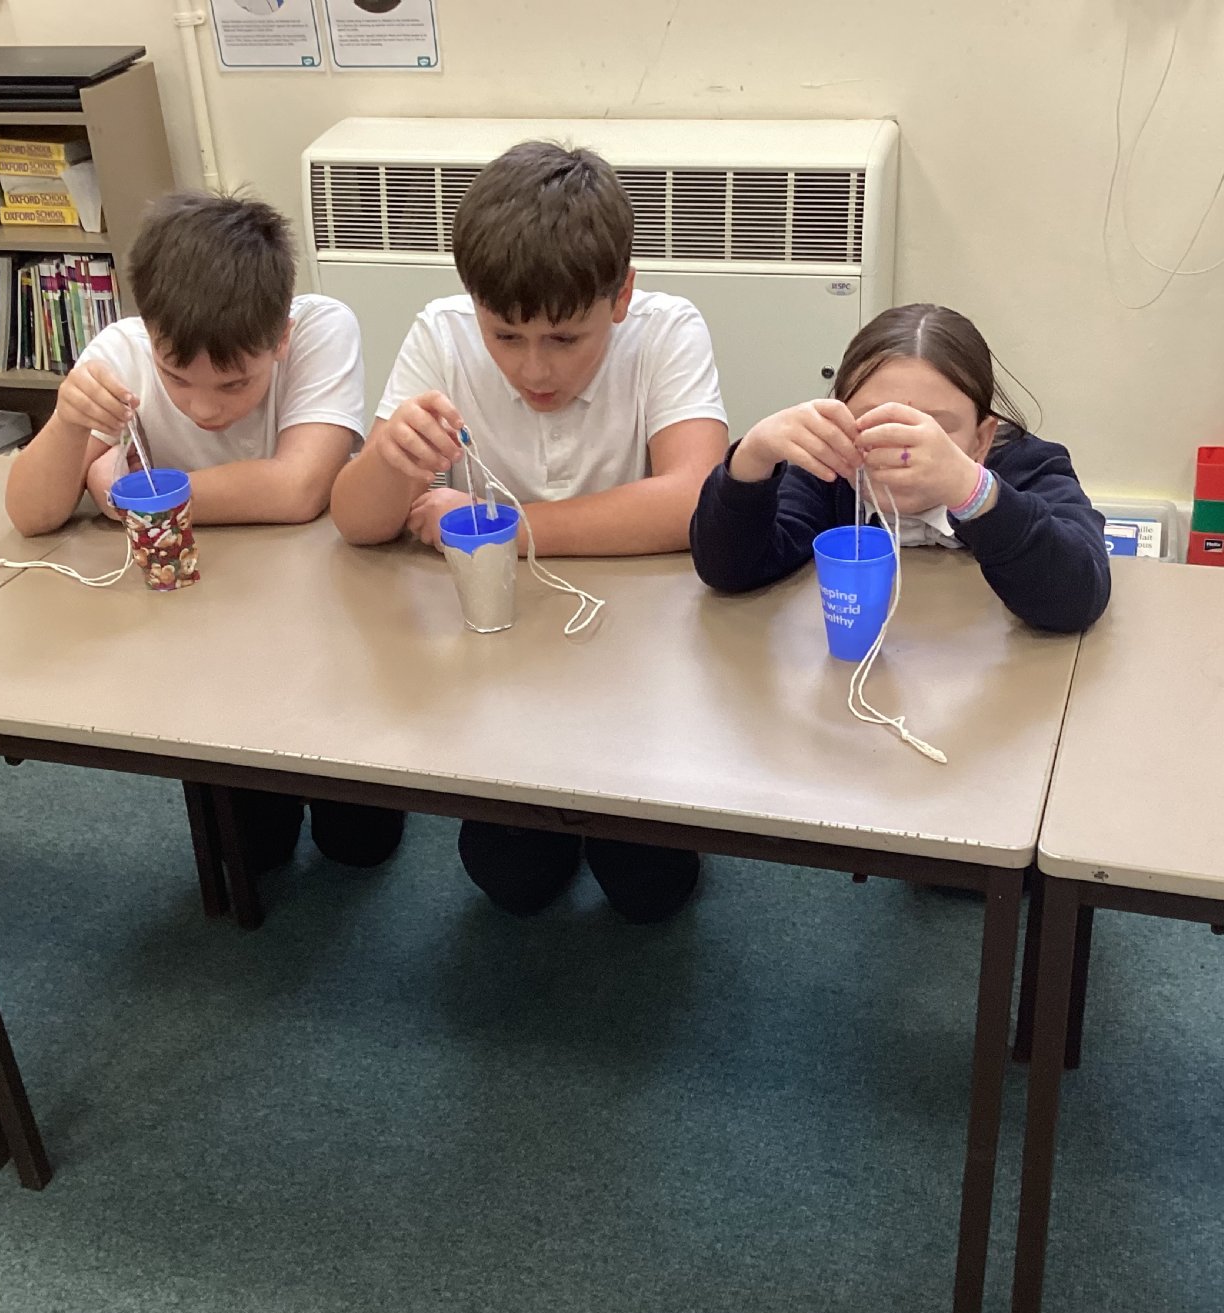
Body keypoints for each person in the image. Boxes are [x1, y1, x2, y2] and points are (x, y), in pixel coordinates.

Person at [330, 140, 729, 921]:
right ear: (473, 301)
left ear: (620, 295)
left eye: (565, 339)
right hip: (495, 653)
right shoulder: (443, 334)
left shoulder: (667, 330)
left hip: (633, 657)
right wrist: (390, 460)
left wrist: (504, 528)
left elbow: (693, 500)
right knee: (512, 884)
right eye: (505, 336)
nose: (534, 370)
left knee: (651, 894)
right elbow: (356, 523)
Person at [5, 189, 402, 871]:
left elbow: (299, 490)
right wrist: (70, 426)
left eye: (235, 384)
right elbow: (30, 515)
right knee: (249, 855)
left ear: (280, 338)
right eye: (175, 378)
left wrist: (127, 497)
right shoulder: (121, 351)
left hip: (319, 620)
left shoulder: (321, 328)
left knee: (360, 847)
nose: (203, 407)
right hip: (193, 631)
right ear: (150, 333)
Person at [691, 303, 1110, 634]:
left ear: (981, 439)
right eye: (874, 421)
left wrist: (972, 490)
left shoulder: (1028, 466)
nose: (903, 447)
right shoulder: (829, 472)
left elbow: (1076, 597)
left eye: (937, 428)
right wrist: (752, 458)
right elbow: (730, 571)